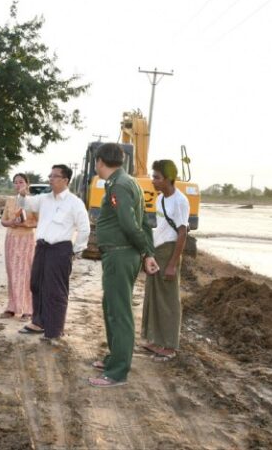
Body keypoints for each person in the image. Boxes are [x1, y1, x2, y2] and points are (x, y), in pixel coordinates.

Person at [89, 143, 159, 388]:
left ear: (100, 161)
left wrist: (146, 251)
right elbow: (146, 222)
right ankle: (114, 359)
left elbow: (130, 225)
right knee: (112, 306)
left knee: (120, 313)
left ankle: (118, 372)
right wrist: (147, 252)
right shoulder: (127, 182)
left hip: (120, 255)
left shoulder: (119, 185)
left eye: (96, 162)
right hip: (119, 255)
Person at [17, 164, 90, 343]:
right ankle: (38, 322)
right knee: (37, 284)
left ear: (65, 180)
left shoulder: (74, 202)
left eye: (55, 176)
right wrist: (22, 192)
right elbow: (24, 203)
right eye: (50, 175)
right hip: (42, 248)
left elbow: (84, 228)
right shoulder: (44, 199)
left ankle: (54, 330)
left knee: (55, 290)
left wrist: (75, 250)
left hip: (60, 250)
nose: (50, 178)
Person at [140, 159, 190, 362]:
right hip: (157, 251)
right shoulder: (160, 199)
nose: (153, 180)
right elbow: (160, 227)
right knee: (153, 296)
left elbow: (182, 233)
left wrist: (171, 264)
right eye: (153, 176)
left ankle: (169, 346)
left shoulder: (180, 201)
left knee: (168, 300)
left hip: (169, 252)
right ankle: (155, 340)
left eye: (157, 177)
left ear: (168, 179)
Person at [0, 173, 37, 320]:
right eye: (15, 182)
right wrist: (11, 223)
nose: (18, 185)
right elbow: (3, 221)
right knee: (12, 274)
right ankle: (12, 307)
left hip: (27, 239)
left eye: (21, 182)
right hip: (11, 240)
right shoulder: (10, 201)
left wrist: (25, 223)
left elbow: (38, 222)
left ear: (27, 184)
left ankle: (28, 309)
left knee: (27, 273)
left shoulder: (33, 202)